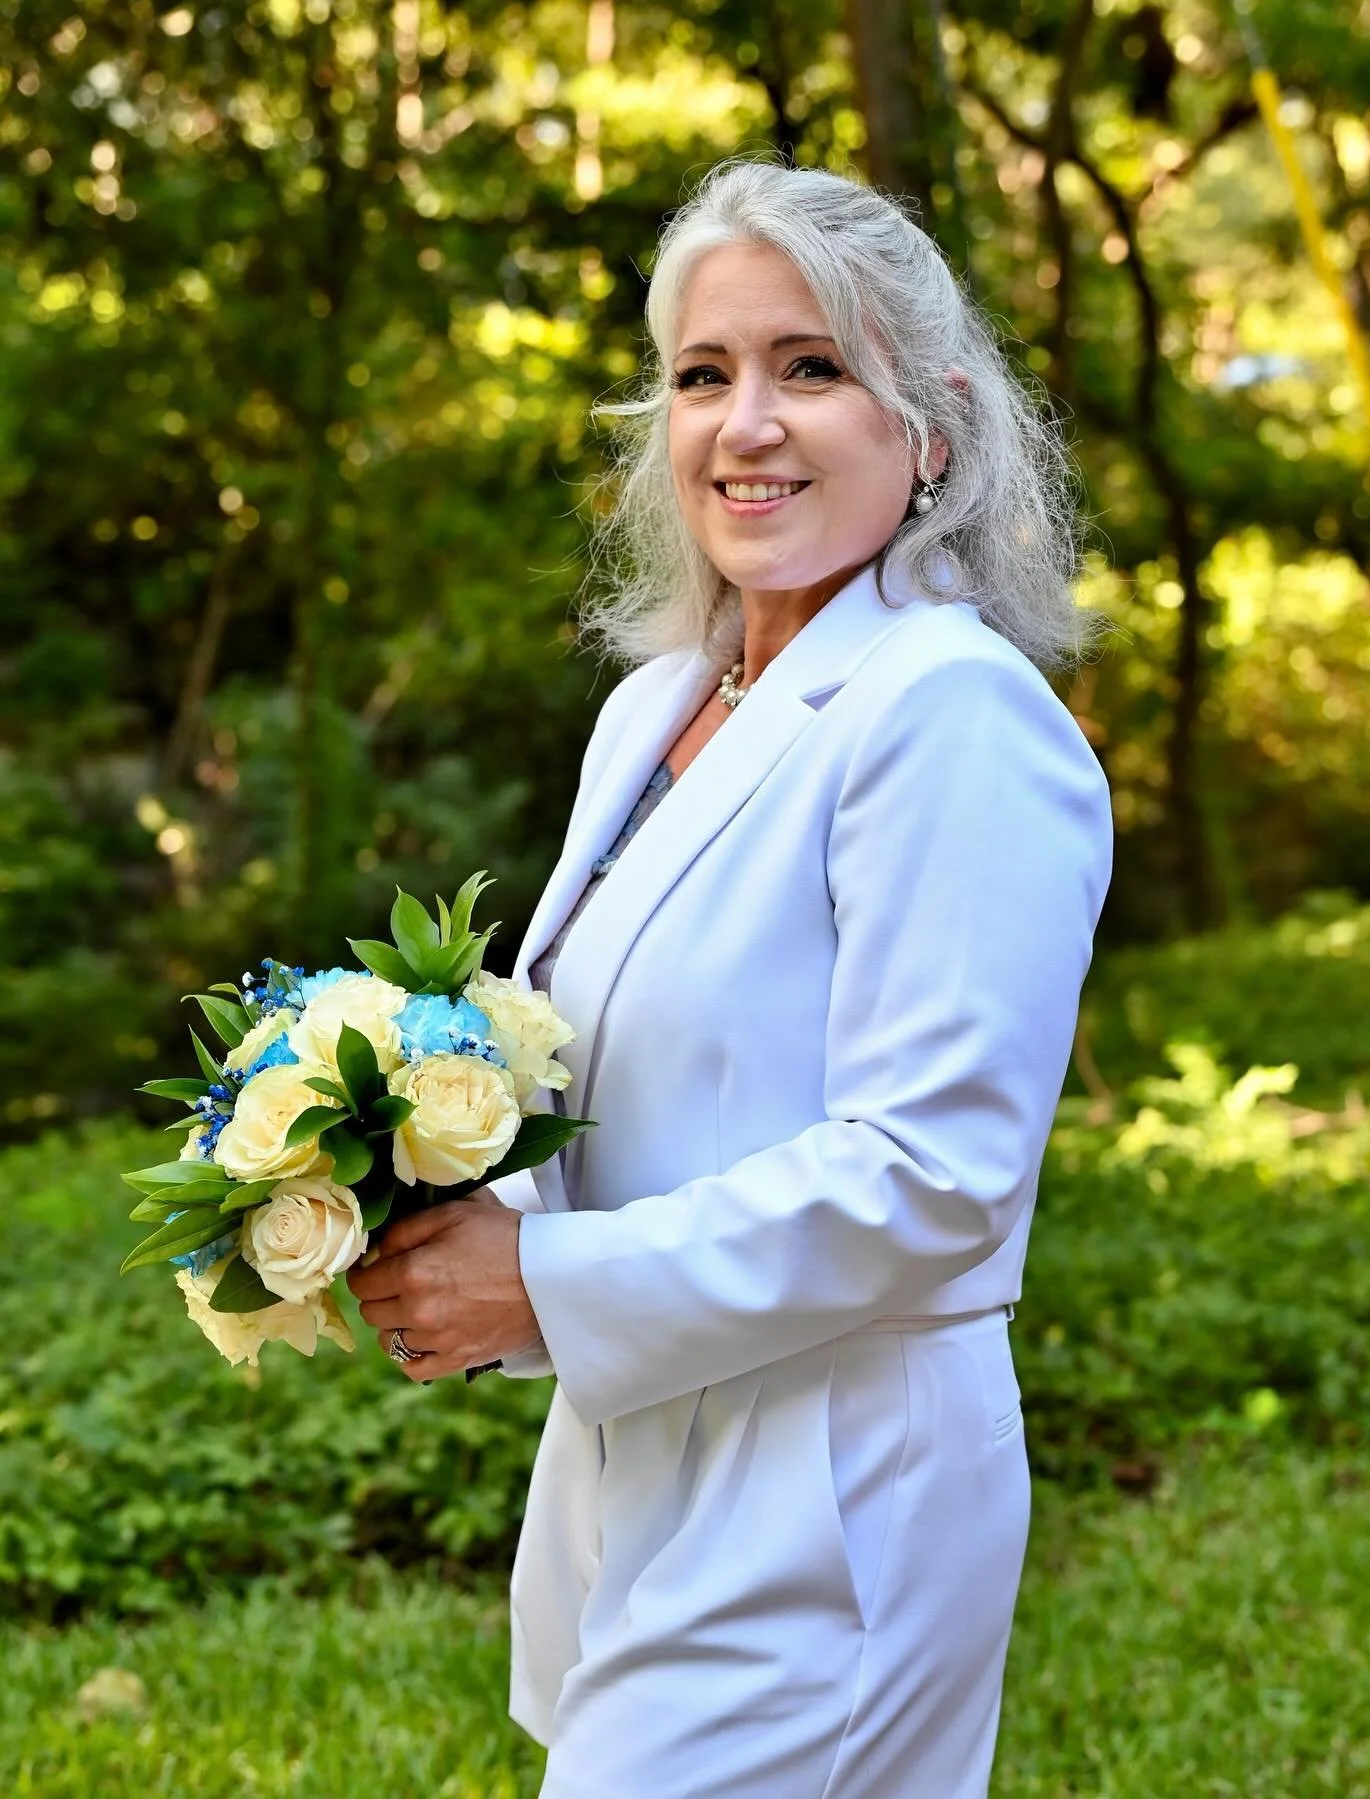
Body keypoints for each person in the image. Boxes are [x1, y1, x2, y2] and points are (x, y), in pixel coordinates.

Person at [348, 159, 1113, 1798]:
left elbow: (937, 1173)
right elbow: (635, 1083)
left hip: (833, 1494)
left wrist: (543, 1285)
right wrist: (396, 1179)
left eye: (812, 367)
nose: (745, 422)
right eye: (705, 374)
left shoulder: (948, 710)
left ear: (937, 428)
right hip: (644, 1480)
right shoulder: (656, 712)